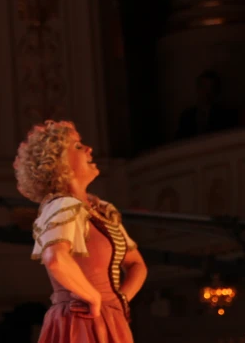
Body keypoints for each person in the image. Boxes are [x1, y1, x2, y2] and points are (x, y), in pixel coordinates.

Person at [13, 120, 147, 343]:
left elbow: (136, 264)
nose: (88, 149)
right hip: (81, 319)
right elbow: (55, 258)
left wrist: (118, 300)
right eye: (77, 146)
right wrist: (93, 297)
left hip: (107, 317)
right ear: (59, 164)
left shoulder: (100, 210)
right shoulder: (63, 205)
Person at [175, 70, 237, 139]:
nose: (207, 93)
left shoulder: (224, 115)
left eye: (211, 88)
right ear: (198, 89)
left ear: (216, 91)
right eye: (203, 87)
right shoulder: (186, 116)